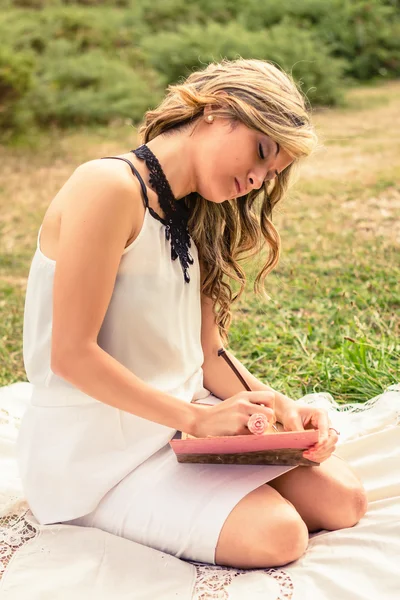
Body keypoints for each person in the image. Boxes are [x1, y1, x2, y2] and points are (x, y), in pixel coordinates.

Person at [17, 58, 368, 570]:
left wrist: (276, 407)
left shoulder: (195, 211)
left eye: (272, 174)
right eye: (262, 151)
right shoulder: (108, 186)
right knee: (279, 536)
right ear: (216, 111)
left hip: (181, 429)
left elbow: (208, 353)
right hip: (99, 450)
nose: (256, 178)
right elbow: (71, 354)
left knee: (345, 499)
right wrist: (199, 420)